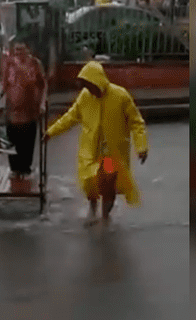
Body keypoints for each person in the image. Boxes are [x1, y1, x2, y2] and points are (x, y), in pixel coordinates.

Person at [43, 61, 148, 226]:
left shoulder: (120, 96)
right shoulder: (85, 97)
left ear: (98, 81)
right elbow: (70, 117)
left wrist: (141, 146)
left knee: (107, 185)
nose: (88, 88)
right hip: (90, 151)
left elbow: (137, 122)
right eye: (85, 85)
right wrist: (51, 132)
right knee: (90, 183)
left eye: (89, 84)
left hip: (110, 153)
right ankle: (92, 209)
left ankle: (105, 216)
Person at [0, 40, 46, 179]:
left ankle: (26, 169)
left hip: (30, 110)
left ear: (27, 50)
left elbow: (42, 85)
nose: (19, 53)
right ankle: (15, 170)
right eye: (16, 50)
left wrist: (42, 104)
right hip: (12, 110)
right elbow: (4, 84)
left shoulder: (35, 64)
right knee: (13, 140)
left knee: (27, 142)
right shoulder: (9, 64)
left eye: (21, 50)